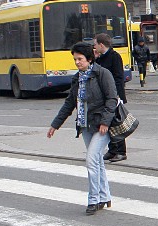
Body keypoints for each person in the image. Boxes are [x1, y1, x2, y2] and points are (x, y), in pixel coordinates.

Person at [47, 42, 118, 215]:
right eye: (75, 59)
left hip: (102, 125)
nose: (77, 62)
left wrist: (105, 122)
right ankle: (104, 196)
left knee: (91, 160)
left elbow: (111, 99)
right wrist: (55, 124)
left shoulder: (102, 74)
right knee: (97, 161)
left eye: (80, 59)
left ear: (89, 58)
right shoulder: (77, 78)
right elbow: (70, 102)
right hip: (85, 124)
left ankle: (93, 200)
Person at [94, 33, 128, 163]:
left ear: (101, 45)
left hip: (113, 95)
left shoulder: (114, 57)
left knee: (116, 123)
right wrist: (95, 59)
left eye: (95, 44)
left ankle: (121, 151)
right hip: (103, 96)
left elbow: (119, 77)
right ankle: (112, 149)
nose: (94, 47)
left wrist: (118, 96)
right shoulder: (100, 58)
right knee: (107, 122)